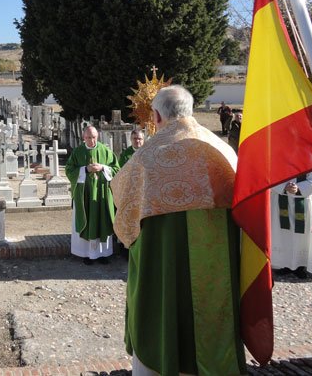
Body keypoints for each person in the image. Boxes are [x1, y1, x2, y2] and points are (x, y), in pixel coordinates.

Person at [111, 85, 246, 375]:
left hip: (163, 261)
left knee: (165, 312)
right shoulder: (221, 148)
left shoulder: (147, 157)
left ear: (157, 116)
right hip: (216, 265)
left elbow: (124, 213)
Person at [64, 125, 119, 264]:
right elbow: (69, 171)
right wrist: (85, 170)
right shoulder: (78, 152)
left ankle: (103, 254)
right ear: (84, 137)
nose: (92, 140)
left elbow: (116, 169)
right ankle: (86, 254)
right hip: (84, 195)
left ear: (97, 137)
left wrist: (103, 168)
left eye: (94, 137)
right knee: (87, 220)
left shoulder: (105, 150)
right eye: (88, 137)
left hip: (101, 194)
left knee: (102, 219)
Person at [271, 170, 312, 279]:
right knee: (283, 233)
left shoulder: (310, 154)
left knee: (301, 235)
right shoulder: (277, 153)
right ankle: (284, 263)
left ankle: (300, 265)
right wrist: (284, 186)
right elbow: (269, 173)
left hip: (302, 201)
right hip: (280, 198)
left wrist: (299, 188)